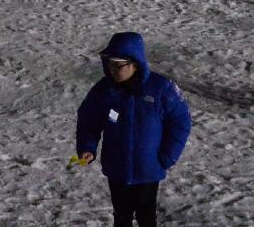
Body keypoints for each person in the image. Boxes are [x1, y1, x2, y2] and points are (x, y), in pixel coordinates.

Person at [76, 32, 192, 227]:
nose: (112, 70)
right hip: (116, 169)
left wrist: (167, 156)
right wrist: (87, 147)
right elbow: (88, 120)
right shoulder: (104, 91)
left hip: (147, 170)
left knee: (146, 217)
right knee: (121, 217)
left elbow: (181, 122)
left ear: (135, 63)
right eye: (109, 64)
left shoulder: (161, 89)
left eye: (118, 65)